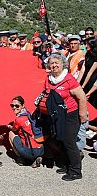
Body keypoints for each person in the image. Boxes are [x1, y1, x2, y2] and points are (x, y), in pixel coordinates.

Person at [40, 53, 87, 181]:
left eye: (57, 63)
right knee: (60, 140)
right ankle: (67, 166)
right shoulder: (48, 79)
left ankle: (76, 171)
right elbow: (45, 94)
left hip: (70, 114)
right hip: (57, 115)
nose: (54, 65)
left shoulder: (69, 79)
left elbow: (81, 97)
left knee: (69, 142)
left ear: (62, 65)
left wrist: (82, 115)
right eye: (52, 63)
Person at [7, 96, 44, 168]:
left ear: (23, 106)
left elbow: (14, 129)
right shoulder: (29, 115)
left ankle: (21, 158)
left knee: (11, 133)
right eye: (12, 105)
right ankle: (37, 157)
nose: (14, 107)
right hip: (41, 149)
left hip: (31, 151)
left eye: (17, 106)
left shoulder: (19, 119)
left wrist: (9, 126)